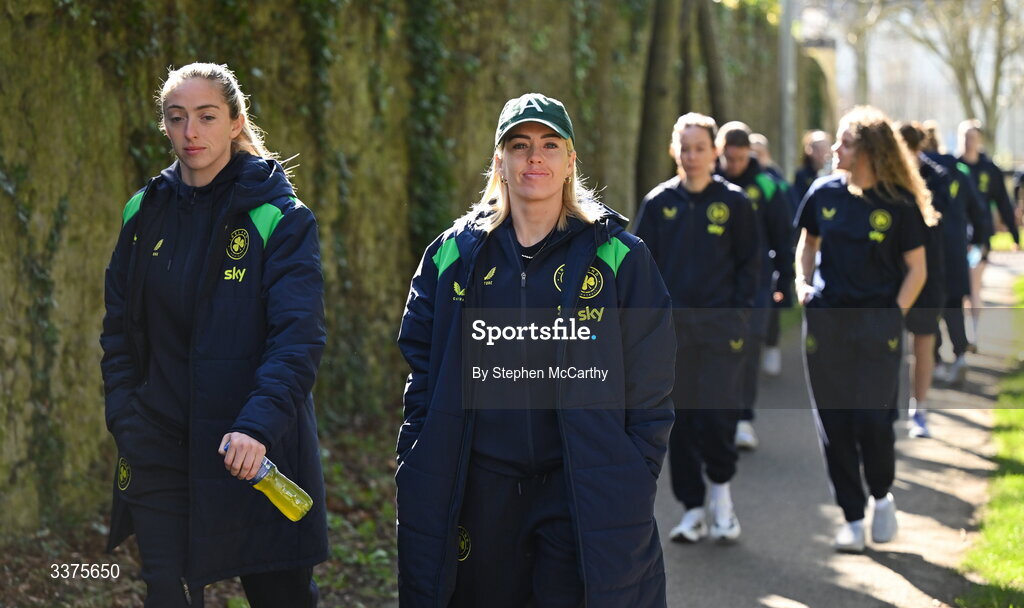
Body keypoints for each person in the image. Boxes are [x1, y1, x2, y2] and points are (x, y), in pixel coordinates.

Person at [397, 93, 676, 607]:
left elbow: (651, 378)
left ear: (571, 162)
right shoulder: (453, 254)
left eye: (550, 145)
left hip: (579, 487)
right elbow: (420, 362)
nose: (534, 158)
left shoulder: (619, 257)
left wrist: (633, 470)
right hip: (481, 489)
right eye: (519, 145)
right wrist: (417, 450)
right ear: (499, 160)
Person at [100, 63, 327, 607]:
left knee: (282, 596)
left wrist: (257, 427)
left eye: (205, 117)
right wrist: (127, 417)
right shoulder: (143, 211)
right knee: (166, 593)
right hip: (158, 444)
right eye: (176, 119)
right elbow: (118, 329)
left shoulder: (281, 217)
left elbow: (297, 338)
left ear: (234, 122)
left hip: (252, 449)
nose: (190, 133)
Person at [795, 106, 932, 552]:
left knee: (873, 422)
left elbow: (917, 269)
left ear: (870, 150)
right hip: (827, 323)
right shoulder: (822, 193)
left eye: (845, 142)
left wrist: (893, 313)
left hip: (878, 326)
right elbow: (807, 245)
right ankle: (853, 518)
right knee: (834, 424)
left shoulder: (899, 203)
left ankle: (881, 493)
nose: (835, 149)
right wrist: (803, 285)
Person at [635, 113, 760, 542]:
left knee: (719, 418)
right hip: (672, 339)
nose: (692, 156)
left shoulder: (736, 204)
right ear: (676, 151)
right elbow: (641, 271)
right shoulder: (658, 204)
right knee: (681, 423)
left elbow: (751, 269)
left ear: (714, 152)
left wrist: (739, 319)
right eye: (684, 149)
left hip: (720, 335)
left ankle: (722, 498)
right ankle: (691, 509)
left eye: (699, 148)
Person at [715, 122, 793, 450]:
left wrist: (784, 283)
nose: (733, 165)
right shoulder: (711, 184)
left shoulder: (767, 187)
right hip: (716, 283)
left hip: (758, 282)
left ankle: (743, 419)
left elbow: (783, 237)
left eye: (738, 158)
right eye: (727, 158)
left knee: (747, 349)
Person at [920, 120, 989, 384]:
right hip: (955, 248)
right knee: (953, 305)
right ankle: (959, 354)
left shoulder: (921, 171)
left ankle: (936, 361)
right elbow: (979, 211)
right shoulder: (959, 170)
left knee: (930, 306)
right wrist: (979, 242)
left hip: (927, 250)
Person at [897, 121, 949, 438]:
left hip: (927, 271)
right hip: (889, 272)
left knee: (923, 341)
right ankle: (885, 410)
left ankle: (920, 409)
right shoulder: (882, 179)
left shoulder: (937, 179)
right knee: (885, 342)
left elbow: (936, 221)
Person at [958, 119, 1018, 364]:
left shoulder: (989, 169)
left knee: (973, 284)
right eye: (965, 137)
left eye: (973, 137)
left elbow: (1003, 202)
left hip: (980, 237)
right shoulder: (954, 167)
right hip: (956, 238)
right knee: (959, 289)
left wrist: (1014, 235)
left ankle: (973, 334)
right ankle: (962, 333)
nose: (969, 142)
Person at [751, 132, 798, 378]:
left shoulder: (775, 183)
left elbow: (786, 221)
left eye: (757, 153)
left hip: (767, 259)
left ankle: (771, 345)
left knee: (770, 305)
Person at [793, 130, 832, 205]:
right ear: (809, 150)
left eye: (825, 147)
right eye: (818, 149)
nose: (822, 153)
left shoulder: (836, 173)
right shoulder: (802, 175)